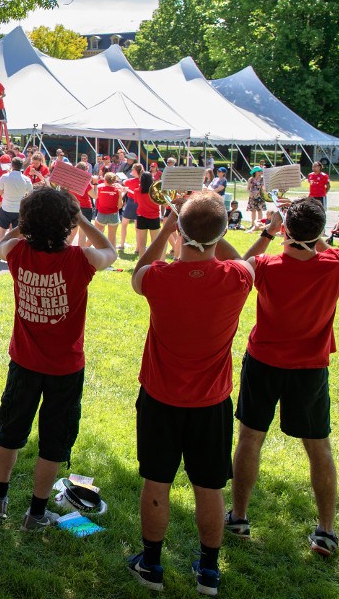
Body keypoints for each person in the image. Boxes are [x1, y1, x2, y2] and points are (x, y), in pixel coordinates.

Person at [128, 192, 254, 596]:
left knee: (156, 481)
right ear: (220, 234)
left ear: (180, 232)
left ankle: (150, 564)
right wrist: (213, 230)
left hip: (161, 399)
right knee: (209, 486)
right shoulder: (238, 278)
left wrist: (169, 226)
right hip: (211, 402)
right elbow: (243, 259)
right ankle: (209, 573)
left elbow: (138, 271)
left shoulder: (159, 277)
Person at [0, 188, 117, 530]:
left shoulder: (16, 251)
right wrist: (82, 218)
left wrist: (20, 225)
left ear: (27, 222)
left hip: (24, 362)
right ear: (68, 224)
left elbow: (0, 245)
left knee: (10, 430)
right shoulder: (81, 259)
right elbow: (111, 251)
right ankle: (37, 513)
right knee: (54, 440)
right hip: (65, 368)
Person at [227, 197, 339, 556]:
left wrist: (270, 231)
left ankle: (238, 518)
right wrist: (311, 235)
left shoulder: (267, 264)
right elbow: (328, 250)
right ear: (321, 232)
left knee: (250, 437)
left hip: (264, 361)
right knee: (318, 446)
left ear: (286, 231)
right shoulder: (337, 265)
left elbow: (240, 263)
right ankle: (326, 531)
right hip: (310, 369)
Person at [0, 157, 32, 247]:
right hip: (19, 208)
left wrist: (4, 194)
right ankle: (15, 250)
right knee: (17, 233)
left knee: (2, 230)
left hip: (6, 207)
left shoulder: (5, 177)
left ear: (12, 165)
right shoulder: (26, 179)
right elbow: (31, 194)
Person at [133, 172, 162, 253]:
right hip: (154, 217)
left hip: (141, 217)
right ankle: (154, 262)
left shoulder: (136, 191)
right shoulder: (155, 192)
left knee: (142, 243)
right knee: (155, 243)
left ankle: (141, 262)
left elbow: (136, 201)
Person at [94, 172, 124, 245]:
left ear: (105, 180)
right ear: (114, 181)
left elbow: (96, 189)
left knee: (94, 235)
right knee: (112, 237)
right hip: (113, 215)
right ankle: (113, 255)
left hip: (101, 213)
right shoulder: (117, 190)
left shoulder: (100, 188)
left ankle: (85, 249)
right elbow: (120, 206)